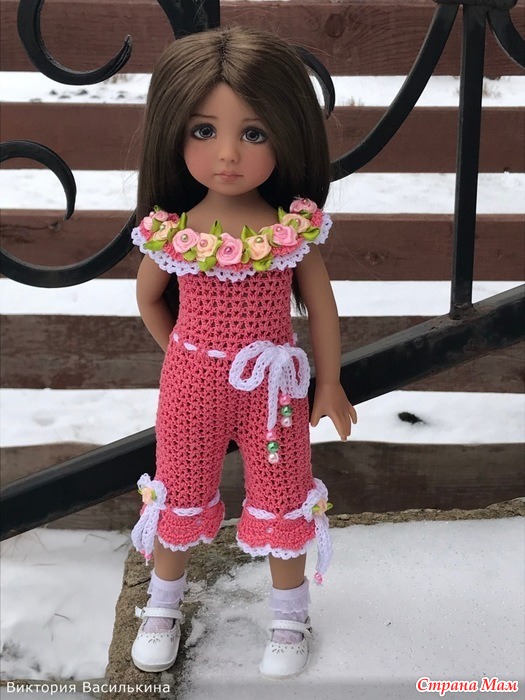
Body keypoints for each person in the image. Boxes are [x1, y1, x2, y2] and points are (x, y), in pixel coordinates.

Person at [129, 26, 357, 679]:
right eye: (204, 131)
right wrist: (185, 354)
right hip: (191, 390)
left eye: (253, 133)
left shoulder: (290, 233)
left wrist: (329, 383)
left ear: (285, 136)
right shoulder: (175, 234)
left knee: (284, 496)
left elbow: (322, 309)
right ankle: (162, 604)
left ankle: (289, 615)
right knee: (177, 489)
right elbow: (149, 299)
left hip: (274, 395)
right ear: (174, 134)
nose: (227, 154)